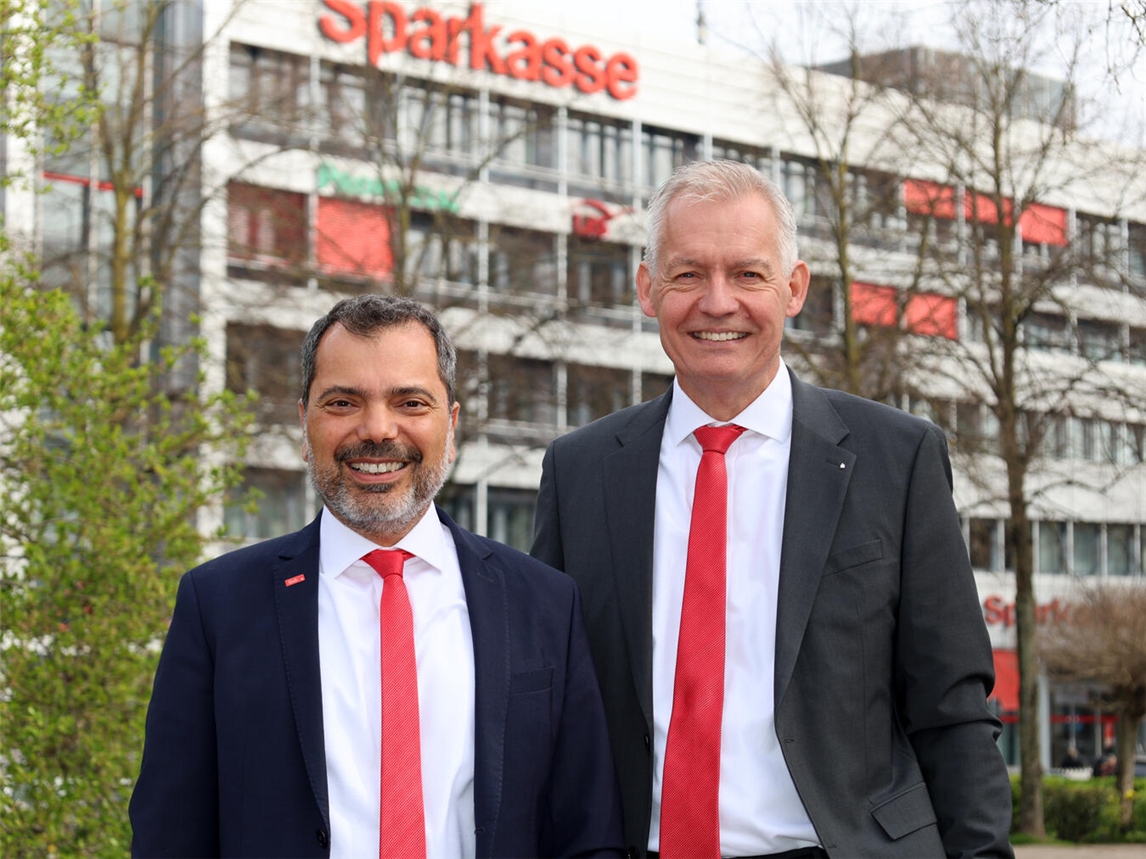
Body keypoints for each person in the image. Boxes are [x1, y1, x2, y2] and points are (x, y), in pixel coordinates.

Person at [531, 160, 1014, 859]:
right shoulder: (578, 472)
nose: (717, 302)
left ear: (794, 289)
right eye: (688, 273)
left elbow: (954, 710)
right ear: (647, 289)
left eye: (748, 274)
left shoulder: (896, 459)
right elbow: (551, 710)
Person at [130, 295, 624, 859]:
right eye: (343, 402)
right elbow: (169, 832)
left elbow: (588, 833)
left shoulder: (545, 603)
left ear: (452, 424)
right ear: (304, 420)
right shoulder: (216, 606)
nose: (378, 430)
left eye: (410, 402)